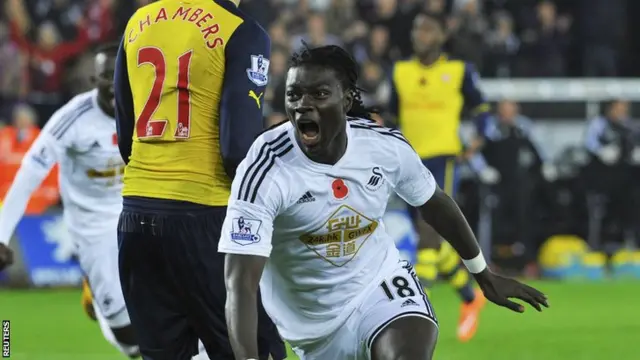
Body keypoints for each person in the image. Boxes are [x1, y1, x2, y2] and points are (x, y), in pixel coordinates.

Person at [219, 44, 548, 360]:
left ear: (346, 100)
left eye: (319, 94)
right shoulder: (266, 166)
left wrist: (483, 273)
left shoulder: (384, 146)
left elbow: (434, 203)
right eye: (294, 95)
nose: (303, 104)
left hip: (380, 286)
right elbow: (240, 282)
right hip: (313, 329)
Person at [113, 1, 284, 359]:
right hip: (204, 216)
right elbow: (238, 149)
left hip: (135, 216)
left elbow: (126, 134)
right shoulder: (240, 30)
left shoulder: (138, 22)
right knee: (256, 348)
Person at [0, 44, 140, 358]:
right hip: (92, 227)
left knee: (168, 308)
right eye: (107, 75)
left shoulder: (147, 111)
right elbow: (29, 175)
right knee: (127, 334)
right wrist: (1, 235)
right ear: (94, 79)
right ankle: (104, 305)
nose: (114, 83)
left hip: (137, 213)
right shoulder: (73, 119)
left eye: (121, 75)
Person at [389, 11, 491, 342]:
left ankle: (421, 305)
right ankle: (470, 297)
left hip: (442, 159)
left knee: (428, 231)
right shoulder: (401, 72)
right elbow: (389, 113)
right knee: (429, 239)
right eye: (417, 29)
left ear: (441, 36)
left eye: (428, 29)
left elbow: (481, 110)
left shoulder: (459, 71)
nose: (420, 35)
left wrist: (476, 141)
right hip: (406, 160)